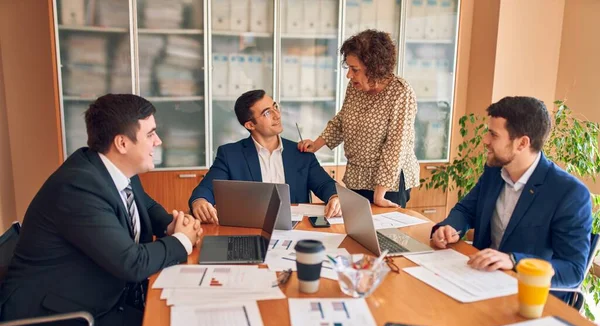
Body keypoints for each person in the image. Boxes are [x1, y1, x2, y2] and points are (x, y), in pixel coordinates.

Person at [0, 94, 202, 326]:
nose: (158, 141)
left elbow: (145, 207)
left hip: (97, 301)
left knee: (177, 319)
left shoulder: (111, 168)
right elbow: (131, 263)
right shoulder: (78, 186)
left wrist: (173, 224)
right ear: (122, 143)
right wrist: (182, 240)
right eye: (150, 134)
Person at [431, 96, 592, 297]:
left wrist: (514, 261)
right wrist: (449, 228)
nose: (485, 141)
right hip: (478, 283)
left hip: (525, 296)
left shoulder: (569, 193)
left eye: (493, 135)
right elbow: (465, 211)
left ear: (522, 143)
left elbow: (572, 269)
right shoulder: (494, 172)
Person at [298, 29, 420, 208]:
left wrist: (379, 194)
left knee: (383, 234)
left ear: (376, 68)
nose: (349, 75)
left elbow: (396, 146)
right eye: (348, 68)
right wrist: (316, 144)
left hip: (388, 183)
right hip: (357, 176)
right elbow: (342, 120)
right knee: (358, 230)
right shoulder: (355, 87)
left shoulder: (401, 92)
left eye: (354, 69)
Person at [189, 89, 341, 224]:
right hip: (251, 229)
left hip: (296, 231)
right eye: (267, 113)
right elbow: (205, 189)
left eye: (275, 107)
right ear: (250, 125)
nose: (277, 115)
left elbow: (325, 184)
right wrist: (200, 201)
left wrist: (335, 196)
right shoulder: (230, 154)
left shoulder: (300, 153)